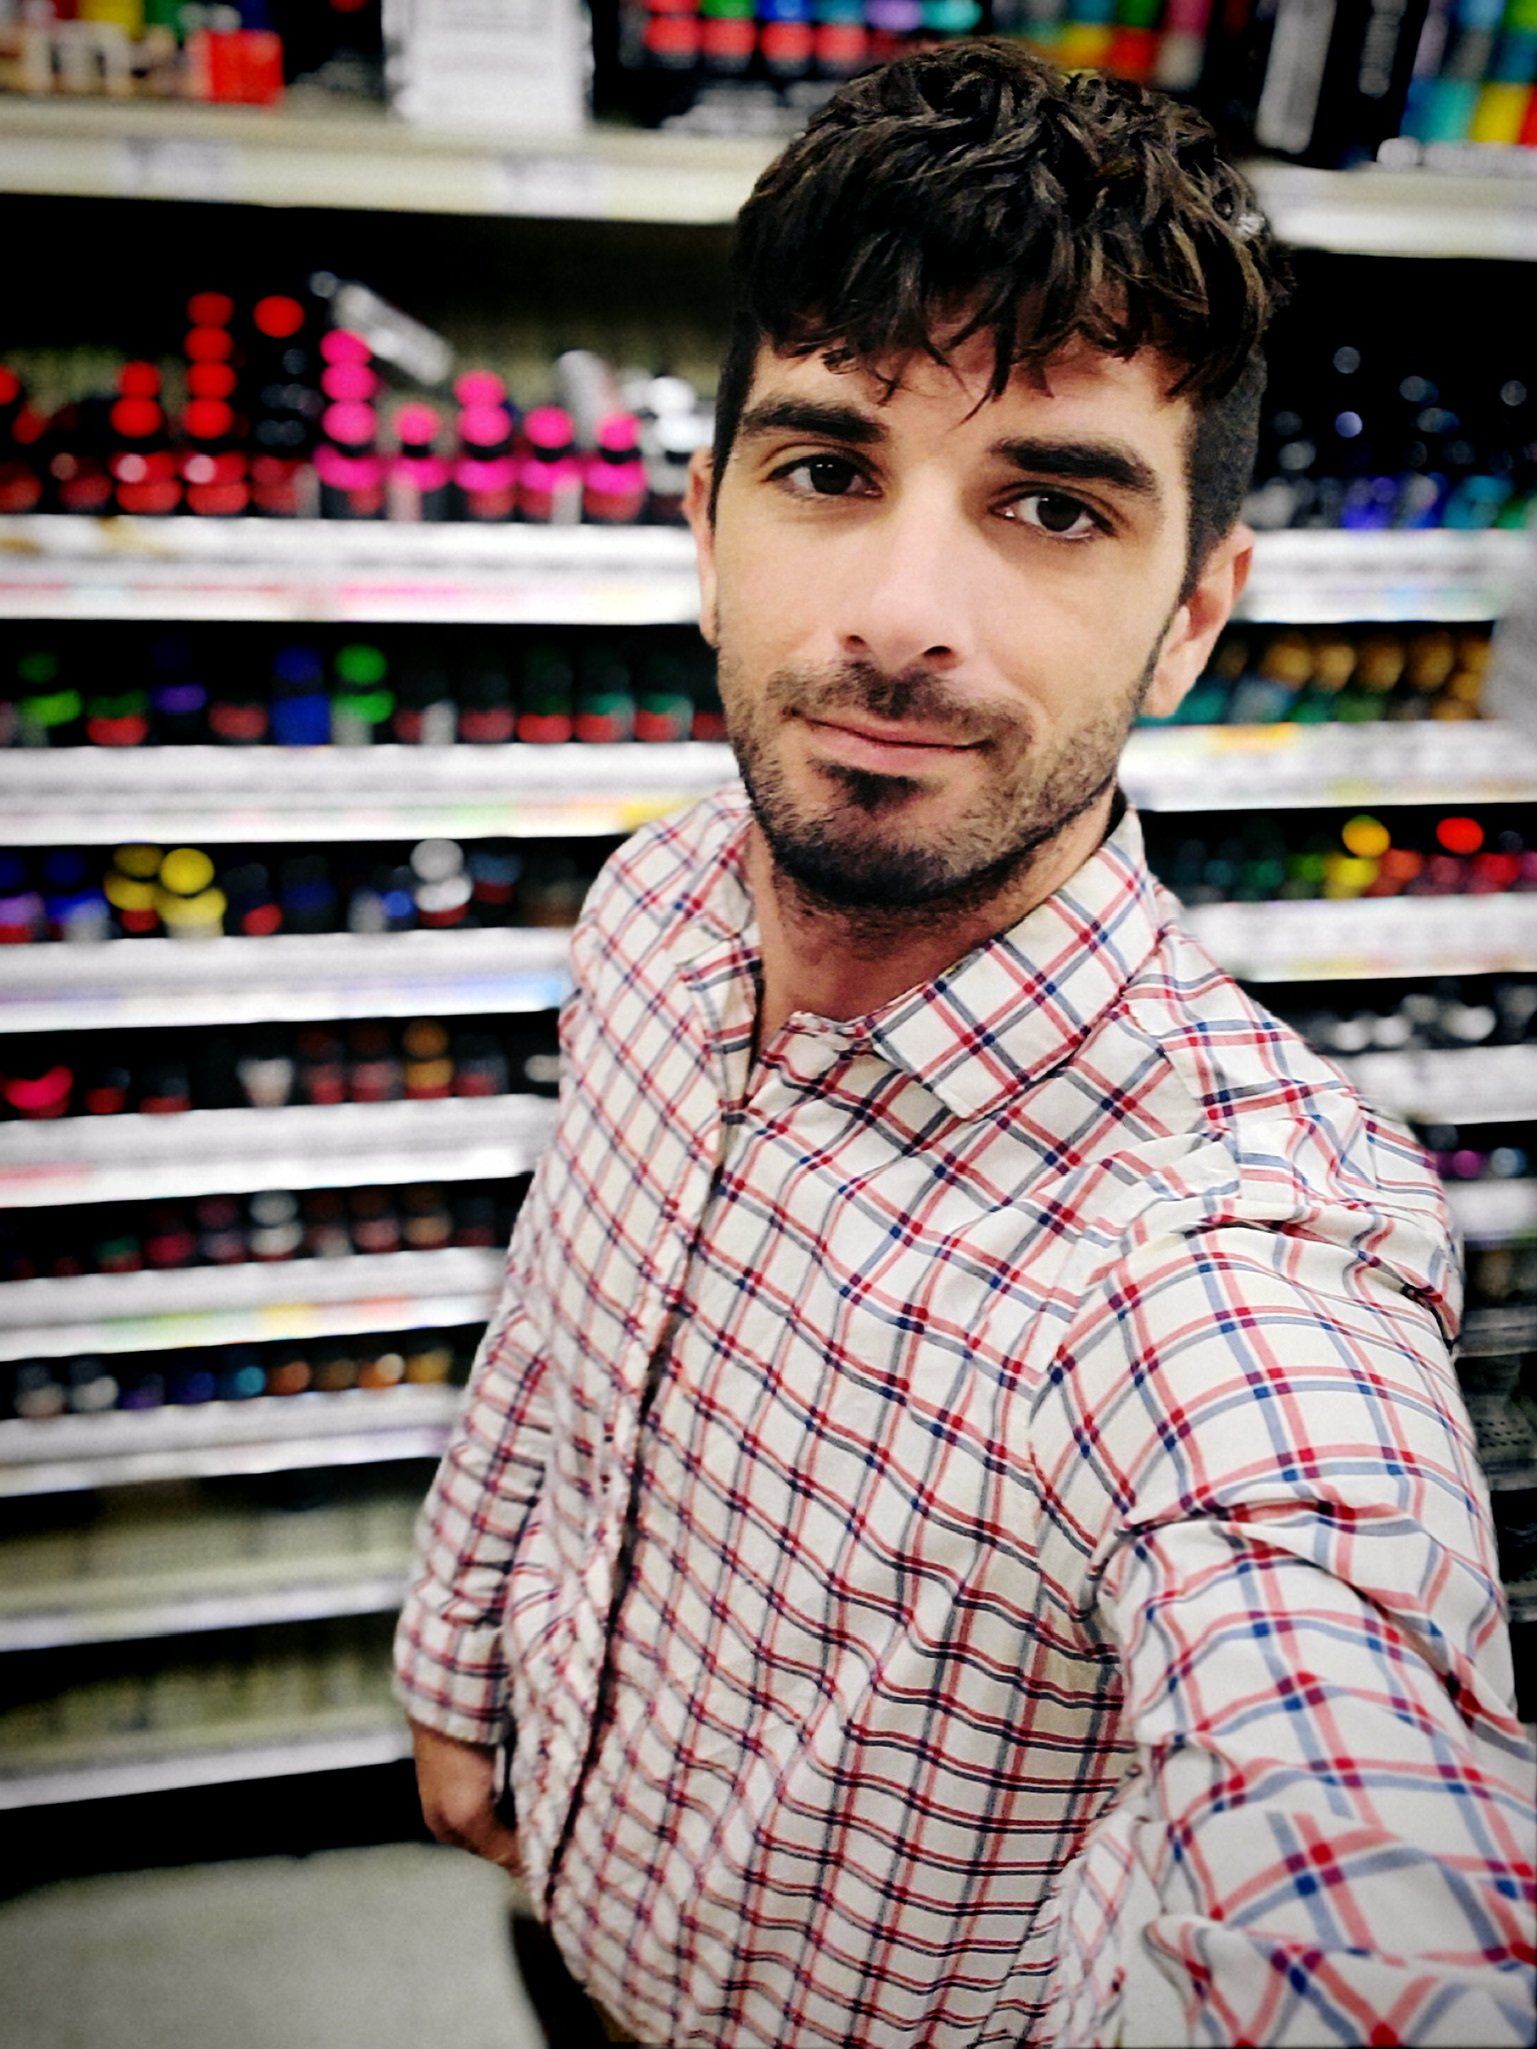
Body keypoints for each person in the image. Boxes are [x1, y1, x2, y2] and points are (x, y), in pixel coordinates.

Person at [395, 42, 1536, 2048]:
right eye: (830, 468)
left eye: (1051, 505)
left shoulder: (1219, 1245)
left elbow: (1343, 1792)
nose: (905, 612)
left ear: (1192, 616)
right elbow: (557, 1334)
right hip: (565, 1914)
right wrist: (453, 1662)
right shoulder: (658, 913)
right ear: (709, 521)